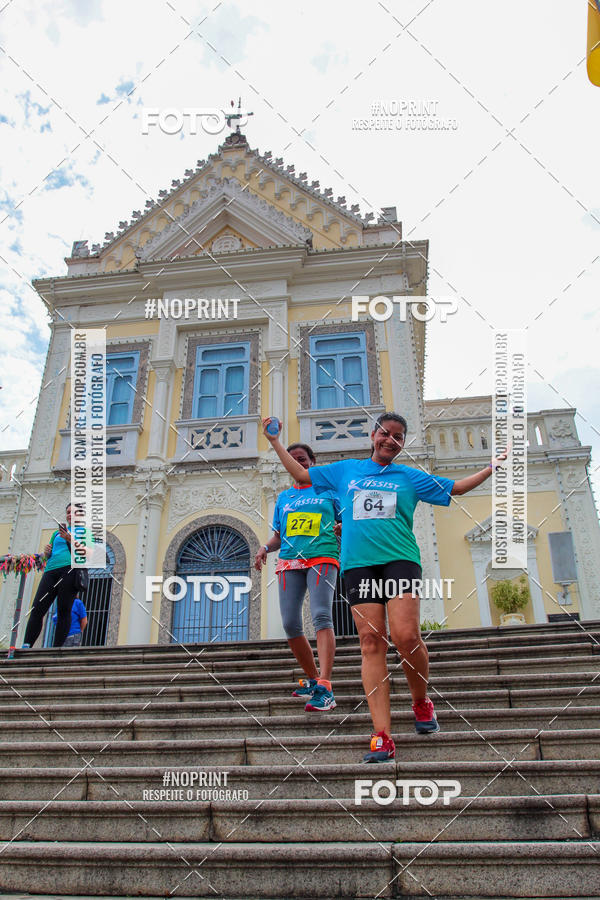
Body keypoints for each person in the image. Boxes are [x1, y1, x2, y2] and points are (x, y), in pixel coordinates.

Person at [263, 412, 509, 762]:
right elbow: (301, 474)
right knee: (370, 641)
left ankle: (421, 701)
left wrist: (490, 468)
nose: (390, 440)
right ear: (373, 435)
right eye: (385, 433)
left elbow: (456, 488)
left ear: (402, 443)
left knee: (407, 636)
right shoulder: (345, 470)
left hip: (399, 560)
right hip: (358, 565)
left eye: (398, 436)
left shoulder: (409, 476)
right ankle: (382, 735)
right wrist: (274, 441)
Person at [255, 442, 342, 711]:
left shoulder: (328, 489)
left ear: (312, 461)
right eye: (293, 460)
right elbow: (280, 536)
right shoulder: (284, 498)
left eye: (303, 459)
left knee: (321, 615)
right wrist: (265, 547)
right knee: (291, 623)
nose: (298, 463)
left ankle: (326, 686)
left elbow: (348, 518)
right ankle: (314, 679)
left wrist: (342, 527)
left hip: (322, 557)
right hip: (290, 562)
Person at [22, 502, 92, 649]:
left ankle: (56, 648)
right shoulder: (56, 533)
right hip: (51, 570)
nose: (69, 515)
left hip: (70, 571)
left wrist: (69, 539)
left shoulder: (85, 532)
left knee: (64, 610)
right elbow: (50, 554)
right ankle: (27, 645)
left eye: (73, 512)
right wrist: (47, 553)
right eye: (67, 512)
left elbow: (88, 553)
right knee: (37, 608)